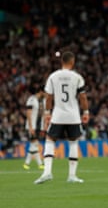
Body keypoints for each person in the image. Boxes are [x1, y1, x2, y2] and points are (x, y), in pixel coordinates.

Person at [34, 51, 90, 184]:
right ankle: (72, 176)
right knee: (73, 142)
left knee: (50, 140)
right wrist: (86, 112)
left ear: (62, 62)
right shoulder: (77, 77)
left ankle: (47, 172)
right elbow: (82, 96)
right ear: (73, 62)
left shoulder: (53, 76)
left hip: (58, 115)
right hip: (73, 116)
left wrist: (47, 113)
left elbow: (49, 97)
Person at [23, 84, 45, 170]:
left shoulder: (42, 101)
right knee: (35, 143)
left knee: (33, 145)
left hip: (38, 126)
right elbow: (28, 113)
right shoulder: (32, 99)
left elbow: (42, 115)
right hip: (31, 126)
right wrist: (30, 126)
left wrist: (43, 127)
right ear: (41, 91)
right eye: (45, 92)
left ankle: (26, 163)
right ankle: (40, 164)